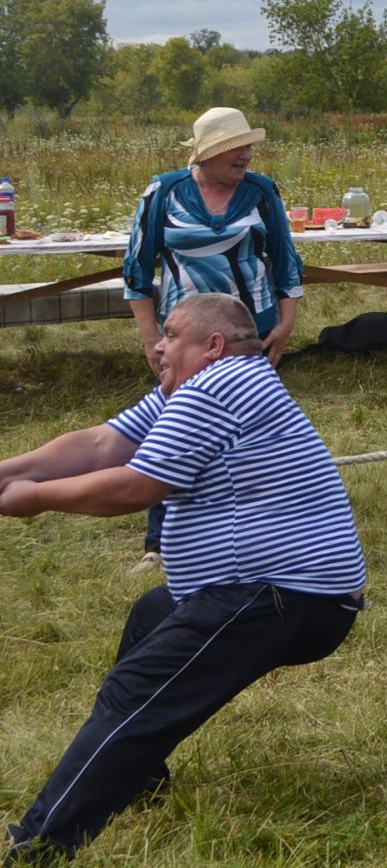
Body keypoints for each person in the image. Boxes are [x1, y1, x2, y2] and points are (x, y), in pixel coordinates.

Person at [0, 294, 366, 860]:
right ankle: (137, 777)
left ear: (212, 345)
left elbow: (135, 487)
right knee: (153, 616)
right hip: (281, 591)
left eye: (171, 334)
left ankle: (38, 845)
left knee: (136, 692)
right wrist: (9, 472)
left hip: (282, 594)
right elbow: (102, 444)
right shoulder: (195, 389)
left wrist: (36, 499)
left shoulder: (218, 386)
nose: (158, 345)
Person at [123, 106, 303, 568]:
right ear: (208, 153)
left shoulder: (261, 191)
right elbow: (137, 273)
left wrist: (286, 322)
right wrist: (150, 340)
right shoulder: (164, 192)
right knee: (170, 431)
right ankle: (159, 542)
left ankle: (261, 530)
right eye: (235, 148)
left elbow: (286, 261)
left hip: (250, 335)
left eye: (248, 146)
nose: (246, 154)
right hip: (184, 338)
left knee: (255, 433)